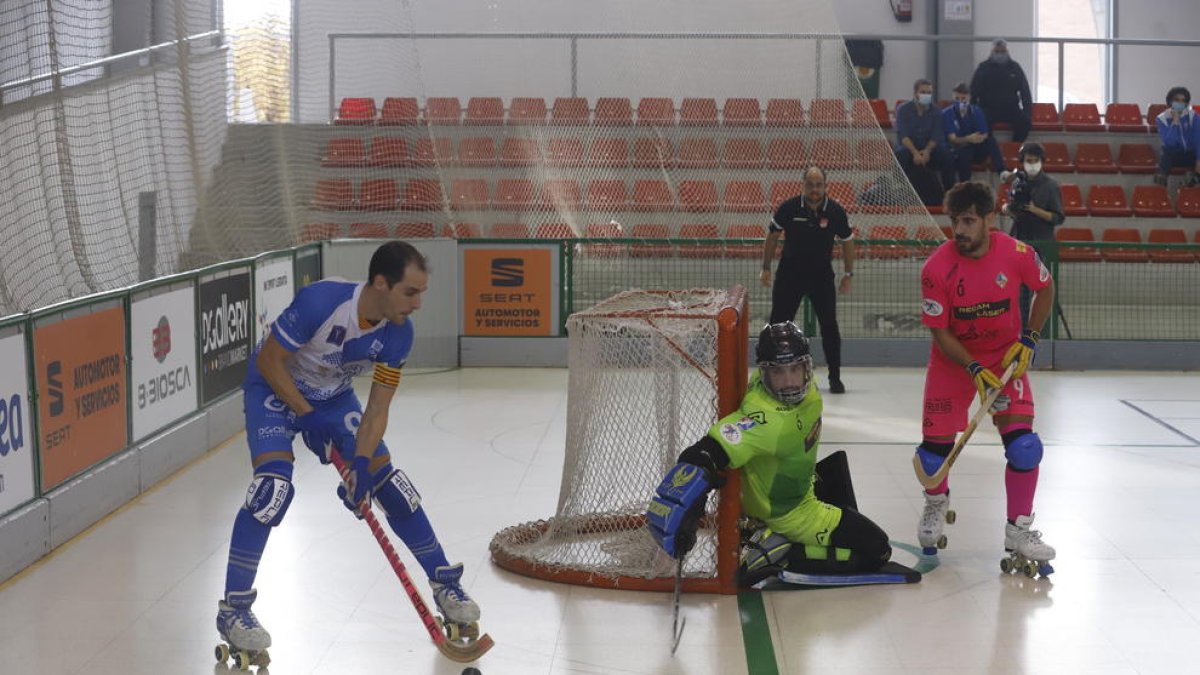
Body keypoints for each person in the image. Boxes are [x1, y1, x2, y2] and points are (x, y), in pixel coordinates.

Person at [216, 241, 480, 654]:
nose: (418, 304)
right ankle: (234, 610)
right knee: (273, 492)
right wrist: (304, 415)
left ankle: (445, 584)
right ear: (381, 283)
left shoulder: (399, 335)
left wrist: (359, 464)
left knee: (388, 482)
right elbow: (269, 360)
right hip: (274, 386)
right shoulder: (322, 301)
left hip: (334, 398)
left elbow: (377, 409)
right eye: (410, 292)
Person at [645, 321, 905, 587]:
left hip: (800, 484)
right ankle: (779, 551)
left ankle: (769, 536)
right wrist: (689, 499)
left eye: (795, 369)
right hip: (791, 513)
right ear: (766, 373)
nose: (790, 382)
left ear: (807, 366)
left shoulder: (790, 384)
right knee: (878, 549)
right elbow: (703, 453)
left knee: (837, 474)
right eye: (779, 373)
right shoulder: (766, 421)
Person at [915, 181, 1056, 572]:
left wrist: (1030, 337)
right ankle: (936, 500)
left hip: (1004, 359)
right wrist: (973, 368)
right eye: (954, 221)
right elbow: (940, 331)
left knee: (1025, 448)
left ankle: (1019, 530)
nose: (958, 230)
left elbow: (1045, 289)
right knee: (930, 460)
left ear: (989, 220)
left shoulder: (1018, 253)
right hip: (954, 362)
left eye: (968, 221)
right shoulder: (936, 268)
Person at [760, 166, 855, 394]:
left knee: (830, 327)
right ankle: (769, 375)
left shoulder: (835, 211)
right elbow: (772, 236)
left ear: (825, 186)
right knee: (778, 326)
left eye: (819, 184)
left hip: (821, 276)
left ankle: (835, 377)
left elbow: (848, 241)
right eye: (810, 184)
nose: (814, 189)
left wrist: (848, 274)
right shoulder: (789, 208)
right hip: (790, 274)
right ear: (803, 185)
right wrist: (766, 267)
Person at [999, 142, 1065, 325]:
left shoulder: (1051, 186)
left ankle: (1038, 327)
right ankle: (1018, 324)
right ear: (1023, 161)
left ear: (1041, 161)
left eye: (1036, 160)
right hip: (1019, 238)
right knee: (1017, 287)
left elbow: (1058, 217)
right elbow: (1009, 206)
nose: (1032, 164)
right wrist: (1008, 208)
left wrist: (1035, 210)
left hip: (1041, 242)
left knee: (1039, 286)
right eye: (1029, 160)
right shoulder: (1017, 182)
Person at [894, 79, 956, 204]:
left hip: (930, 149)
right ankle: (901, 192)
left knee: (947, 155)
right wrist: (915, 153)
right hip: (909, 148)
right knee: (901, 154)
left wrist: (927, 151)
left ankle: (950, 195)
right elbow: (904, 136)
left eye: (929, 92)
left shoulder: (937, 111)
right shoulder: (903, 110)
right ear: (915, 93)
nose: (926, 95)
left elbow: (936, 136)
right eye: (923, 92)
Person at [970, 39, 1033, 143]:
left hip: (1011, 109)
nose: (1000, 54)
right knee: (980, 122)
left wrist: (1027, 113)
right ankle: (989, 148)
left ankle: (1014, 147)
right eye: (997, 51)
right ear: (992, 52)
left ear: (1007, 52)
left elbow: (1024, 91)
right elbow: (973, 91)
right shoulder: (983, 67)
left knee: (1025, 121)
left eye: (1002, 51)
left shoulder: (1015, 67)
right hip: (988, 108)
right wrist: (973, 111)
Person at [943, 81, 1008, 182]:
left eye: (963, 99)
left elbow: (984, 133)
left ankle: (1003, 172)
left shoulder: (976, 111)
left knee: (991, 141)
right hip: (959, 149)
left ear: (969, 97)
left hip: (976, 147)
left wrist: (978, 138)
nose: (960, 101)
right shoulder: (947, 113)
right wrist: (968, 139)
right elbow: (952, 139)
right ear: (953, 97)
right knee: (964, 153)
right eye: (957, 99)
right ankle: (964, 186)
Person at [1154, 86, 1200, 186]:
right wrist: (1175, 121)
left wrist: (1198, 162)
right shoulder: (1162, 119)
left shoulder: (1193, 117)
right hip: (1174, 156)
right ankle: (1161, 182)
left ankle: (1193, 178)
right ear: (1170, 101)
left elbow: (1198, 140)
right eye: (1177, 100)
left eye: (1183, 101)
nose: (1180, 103)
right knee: (1166, 151)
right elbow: (1169, 143)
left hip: (1191, 155)